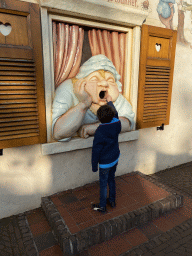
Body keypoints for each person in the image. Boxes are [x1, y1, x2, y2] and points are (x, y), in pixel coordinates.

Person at [52, 54, 135, 142]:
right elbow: (59, 133)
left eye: (110, 80)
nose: (104, 84)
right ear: (81, 82)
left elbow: (127, 123)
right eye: (94, 79)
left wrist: (97, 128)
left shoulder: (114, 96)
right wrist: (84, 104)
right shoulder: (68, 89)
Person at [91, 92, 121, 213]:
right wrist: (109, 102)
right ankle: (112, 201)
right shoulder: (117, 123)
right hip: (115, 159)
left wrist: (94, 166)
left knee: (103, 184)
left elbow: (96, 150)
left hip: (104, 163)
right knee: (111, 179)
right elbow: (116, 113)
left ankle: (102, 206)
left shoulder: (100, 131)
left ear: (100, 118)